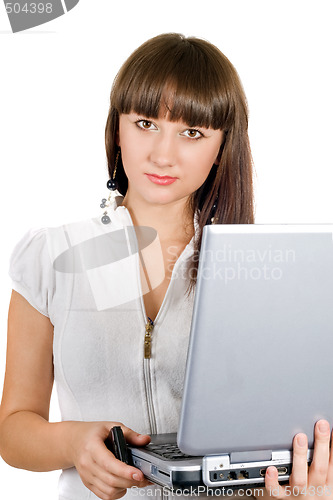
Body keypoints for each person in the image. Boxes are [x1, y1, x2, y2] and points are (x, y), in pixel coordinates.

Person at [0, 32, 332, 500]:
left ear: (222, 146)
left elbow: (291, 427)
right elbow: (14, 429)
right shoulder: (51, 258)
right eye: (145, 123)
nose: (162, 154)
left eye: (192, 132)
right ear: (117, 126)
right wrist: (72, 441)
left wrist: (295, 481)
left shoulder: (264, 270)